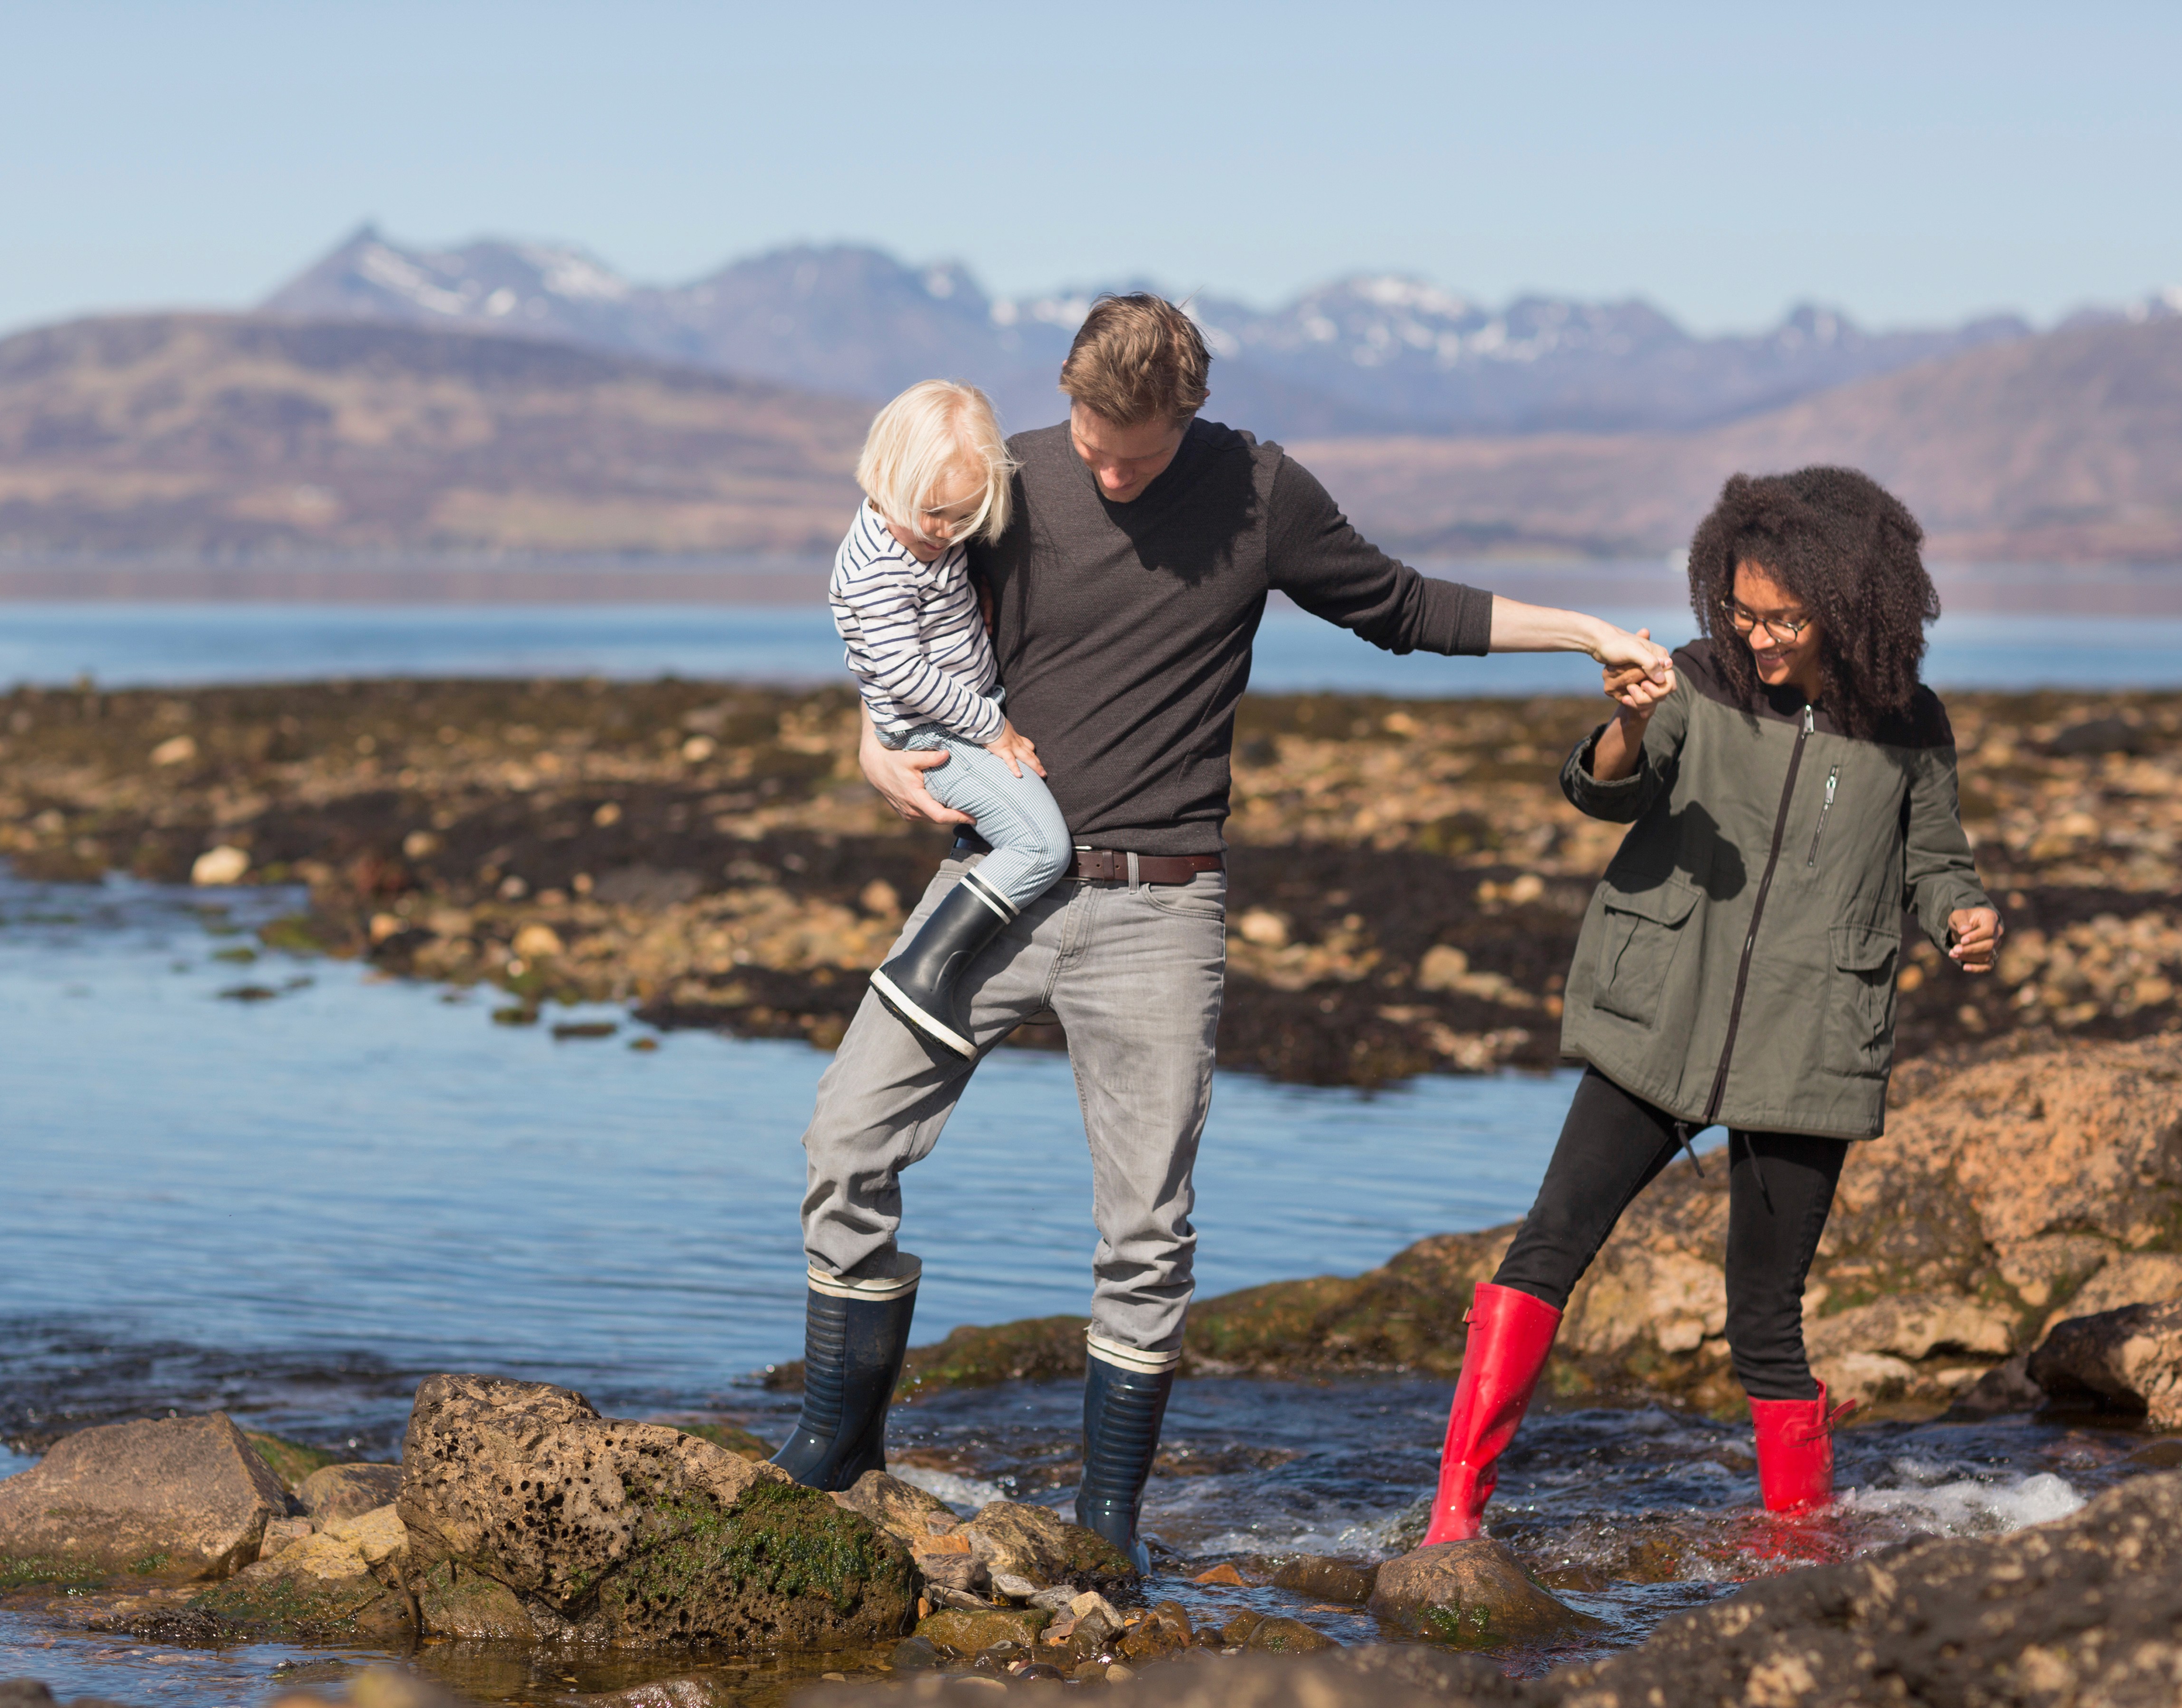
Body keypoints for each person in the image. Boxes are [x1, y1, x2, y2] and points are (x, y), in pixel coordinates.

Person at [770, 295, 1672, 1573]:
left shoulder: (1262, 495)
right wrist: (873, 748)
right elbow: (895, 619)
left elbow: (1405, 606)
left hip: (1160, 908)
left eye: (1135, 451)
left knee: (1145, 1232)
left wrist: (1582, 631)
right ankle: (834, 1442)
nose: (1107, 470)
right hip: (993, 879)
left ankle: (1105, 1526)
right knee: (844, 1138)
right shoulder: (1006, 476)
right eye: (1090, 440)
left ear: (1187, 414)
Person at [1422, 466, 2002, 1548]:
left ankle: (1797, 1549)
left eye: (1784, 618)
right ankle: (1453, 1516)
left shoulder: (1907, 721)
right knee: (1544, 1248)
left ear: (1849, 604)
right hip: (1658, 1017)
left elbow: (1933, 858)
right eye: (1741, 612)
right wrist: (1628, 727)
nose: (1760, 636)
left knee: (1764, 1322)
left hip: (1812, 1036)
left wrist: (1962, 915)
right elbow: (1605, 791)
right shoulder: (1692, 680)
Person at [829, 380, 1071, 1060]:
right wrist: (992, 728)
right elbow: (904, 675)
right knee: (1041, 847)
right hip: (936, 736)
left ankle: (927, 966)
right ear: (887, 477)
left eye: (965, 519)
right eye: (935, 515)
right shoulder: (874, 568)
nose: (948, 533)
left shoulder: (923, 537)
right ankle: (923, 969)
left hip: (955, 721)